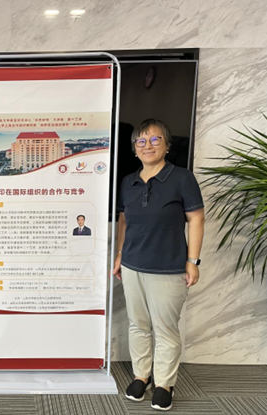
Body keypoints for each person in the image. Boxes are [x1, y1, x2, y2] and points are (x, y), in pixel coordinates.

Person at [113, 119, 205, 412]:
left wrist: (192, 261)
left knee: (165, 329)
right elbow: (124, 220)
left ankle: (164, 383)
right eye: (141, 141)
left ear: (167, 145)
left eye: (155, 140)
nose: (147, 146)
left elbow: (196, 219)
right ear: (134, 149)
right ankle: (141, 376)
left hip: (169, 267)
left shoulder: (182, 178)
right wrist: (119, 255)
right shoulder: (128, 181)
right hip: (132, 265)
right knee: (138, 325)